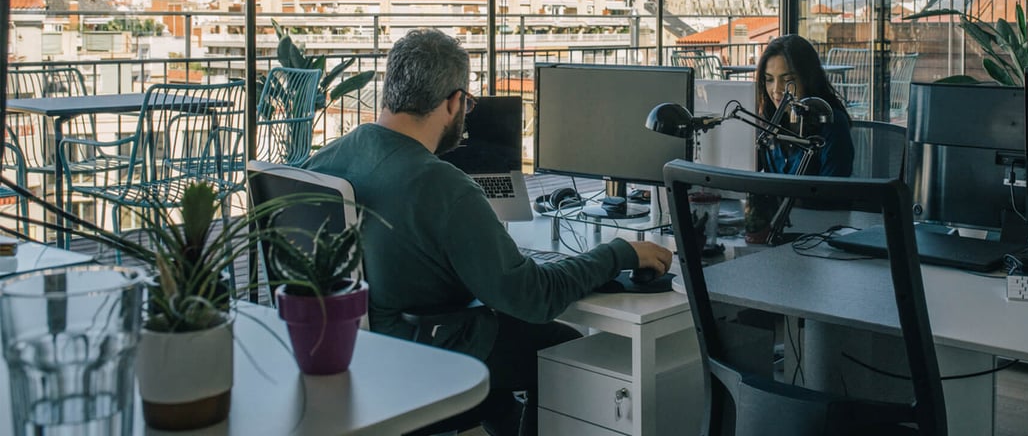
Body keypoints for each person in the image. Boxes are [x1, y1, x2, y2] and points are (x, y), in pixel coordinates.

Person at [304, 29, 673, 436]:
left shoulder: (321, 161)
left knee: (498, 347)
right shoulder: (443, 185)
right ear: (454, 102)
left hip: (351, 354)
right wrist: (619, 253)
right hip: (422, 353)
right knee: (561, 342)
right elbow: (532, 297)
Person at [745, 34, 854, 243]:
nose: (776, 89)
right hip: (777, 233)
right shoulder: (768, 124)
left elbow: (833, 196)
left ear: (807, 78)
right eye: (769, 79)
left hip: (818, 236)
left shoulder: (830, 123)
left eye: (788, 80)